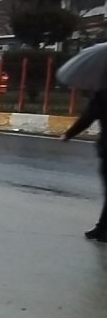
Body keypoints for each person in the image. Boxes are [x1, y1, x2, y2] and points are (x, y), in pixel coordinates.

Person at [62, 89, 107, 241]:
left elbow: (88, 117)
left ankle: (102, 229)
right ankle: (102, 229)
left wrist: (69, 134)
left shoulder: (102, 92)